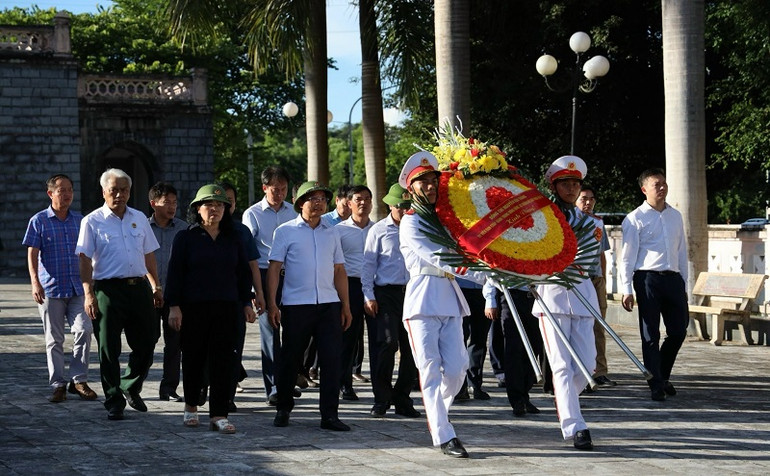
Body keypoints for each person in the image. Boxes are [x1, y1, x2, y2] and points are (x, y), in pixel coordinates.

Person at [398, 151, 488, 458]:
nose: (430, 186)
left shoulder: (447, 221)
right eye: (422, 181)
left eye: (433, 180)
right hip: (422, 298)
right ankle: (443, 433)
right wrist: (481, 276)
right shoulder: (410, 223)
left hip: (449, 298)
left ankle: (438, 411)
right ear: (411, 188)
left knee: (457, 369)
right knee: (430, 371)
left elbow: (468, 248)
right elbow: (442, 258)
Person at [165, 184, 255, 434]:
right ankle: (191, 406)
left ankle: (219, 414)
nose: (214, 209)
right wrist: (174, 306)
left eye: (220, 205)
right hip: (193, 308)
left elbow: (243, 274)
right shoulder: (186, 237)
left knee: (224, 362)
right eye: (208, 205)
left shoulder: (233, 238)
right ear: (197, 209)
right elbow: (175, 274)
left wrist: (247, 302)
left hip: (227, 307)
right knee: (193, 358)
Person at [75, 168, 162, 421]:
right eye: (114, 190)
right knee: (108, 348)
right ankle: (114, 399)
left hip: (139, 288)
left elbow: (149, 255)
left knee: (149, 340)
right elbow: (84, 259)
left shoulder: (139, 218)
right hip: (107, 290)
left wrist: (156, 285)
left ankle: (129, 384)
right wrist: (88, 294)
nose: (120, 195)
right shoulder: (92, 221)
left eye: (124, 190)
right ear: (104, 192)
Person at [269, 181, 353, 431]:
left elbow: (339, 270)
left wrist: (345, 305)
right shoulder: (285, 231)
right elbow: (274, 268)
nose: (318, 203)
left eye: (322, 199)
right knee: (290, 359)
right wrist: (273, 303)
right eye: (312, 198)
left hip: (328, 304)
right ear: (299, 203)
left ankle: (329, 415)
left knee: (331, 360)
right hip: (296, 305)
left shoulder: (332, 232)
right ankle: (283, 408)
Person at [531, 155, 600, 450]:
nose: (571, 189)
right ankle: (575, 425)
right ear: (554, 186)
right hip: (553, 295)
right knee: (560, 366)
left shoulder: (588, 221)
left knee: (586, 364)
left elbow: (590, 259)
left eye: (575, 184)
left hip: (582, 294)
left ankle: (565, 400)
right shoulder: (543, 218)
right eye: (565, 184)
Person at [23, 174, 98, 403]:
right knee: (54, 339)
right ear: (50, 193)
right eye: (61, 190)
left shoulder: (80, 220)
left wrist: (92, 284)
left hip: (78, 287)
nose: (66, 195)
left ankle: (79, 380)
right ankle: (58, 384)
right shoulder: (39, 220)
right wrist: (35, 282)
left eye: (69, 190)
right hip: (51, 289)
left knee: (84, 330)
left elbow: (89, 252)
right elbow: (32, 254)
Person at [620, 168, 689, 402]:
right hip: (647, 278)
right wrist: (626, 289)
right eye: (656, 184)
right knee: (650, 334)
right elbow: (627, 257)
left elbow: (681, 251)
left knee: (678, 331)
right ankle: (655, 383)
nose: (662, 187)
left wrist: (684, 283)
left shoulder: (675, 216)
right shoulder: (635, 218)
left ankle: (662, 374)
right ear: (644, 189)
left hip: (673, 278)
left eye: (664, 183)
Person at [361, 183, 419, 419]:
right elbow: (368, 266)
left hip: (413, 291)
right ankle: (381, 398)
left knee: (412, 348)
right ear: (390, 206)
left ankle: (402, 397)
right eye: (400, 208)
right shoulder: (379, 230)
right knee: (387, 343)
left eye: (408, 207)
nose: (404, 212)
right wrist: (369, 295)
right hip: (386, 294)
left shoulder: (416, 226)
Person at [242, 166, 296, 405]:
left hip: (291, 274)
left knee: (293, 331)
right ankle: (273, 387)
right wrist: (255, 290)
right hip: (263, 274)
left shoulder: (294, 212)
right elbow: (249, 254)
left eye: (284, 189)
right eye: (275, 189)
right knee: (270, 332)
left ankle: (287, 381)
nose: (280, 194)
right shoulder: (252, 214)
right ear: (264, 188)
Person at [220, 181, 265, 412]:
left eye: (229, 202)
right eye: (219, 201)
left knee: (233, 349)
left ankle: (227, 396)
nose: (224, 207)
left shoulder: (241, 231)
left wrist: (257, 295)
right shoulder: (195, 233)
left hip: (236, 300)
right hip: (204, 302)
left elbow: (252, 266)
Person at [148, 182, 188, 402]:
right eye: (167, 202)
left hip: (176, 296)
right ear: (154, 203)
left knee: (174, 343)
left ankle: (169, 388)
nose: (172, 206)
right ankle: (134, 384)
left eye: (174, 202)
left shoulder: (184, 229)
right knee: (147, 340)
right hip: (149, 294)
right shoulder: (142, 227)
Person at [336, 185, 375, 401]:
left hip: (375, 288)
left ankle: (381, 388)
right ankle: (345, 384)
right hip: (349, 286)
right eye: (358, 199)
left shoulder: (378, 229)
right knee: (348, 338)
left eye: (367, 199)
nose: (363, 203)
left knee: (379, 339)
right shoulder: (339, 231)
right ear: (349, 203)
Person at [576, 184, 616, 389]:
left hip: (595, 278)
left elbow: (602, 254)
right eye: (583, 198)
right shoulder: (570, 221)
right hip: (575, 279)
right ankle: (581, 370)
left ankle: (600, 371)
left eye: (591, 199)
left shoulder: (597, 223)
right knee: (578, 327)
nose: (588, 202)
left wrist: (603, 279)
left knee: (598, 327)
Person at [454, 279, 492, 401]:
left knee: (479, 339)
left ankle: (475, 384)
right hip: (460, 289)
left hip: (483, 289)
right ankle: (460, 386)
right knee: (460, 338)